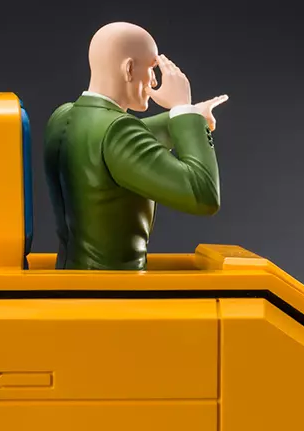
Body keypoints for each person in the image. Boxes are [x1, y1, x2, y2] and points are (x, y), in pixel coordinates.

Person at [43, 21, 228, 271]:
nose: (154, 81)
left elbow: (123, 141)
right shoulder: (117, 132)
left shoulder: (62, 116)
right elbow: (203, 195)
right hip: (116, 289)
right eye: (152, 69)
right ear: (129, 69)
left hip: (70, 278)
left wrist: (192, 115)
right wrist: (182, 107)